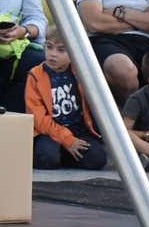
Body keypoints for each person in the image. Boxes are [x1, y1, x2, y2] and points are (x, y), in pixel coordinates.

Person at [24, 26, 107, 170]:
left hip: (78, 130)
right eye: (49, 47)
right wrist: (66, 139)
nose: (53, 54)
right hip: (49, 132)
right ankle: (61, 151)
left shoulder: (81, 72)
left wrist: (72, 140)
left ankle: (65, 154)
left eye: (61, 50)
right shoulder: (35, 76)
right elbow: (39, 119)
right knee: (47, 159)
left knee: (98, 158)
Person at [122, 52, 149, 169]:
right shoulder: (138, 99)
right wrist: (147, 135)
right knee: (126, 135)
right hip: (145, 143)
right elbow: (123, 131)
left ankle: (147, 164)